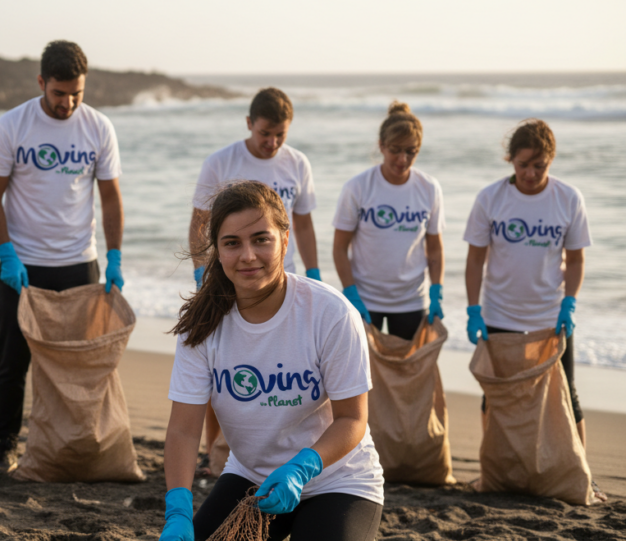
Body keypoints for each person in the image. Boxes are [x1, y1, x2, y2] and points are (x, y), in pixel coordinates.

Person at [158, 180, 385, 541]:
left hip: (335, 478)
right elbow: (184, 431)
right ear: (217, 251)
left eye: (261, 239)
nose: (247, 255)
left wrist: (303, 467)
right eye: (232, 243)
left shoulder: (330, 313)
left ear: (284, 237)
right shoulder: (201, 326)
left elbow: (353, 419)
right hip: (254, 481)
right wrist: (178, 508)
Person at [0, 40, 125, 474]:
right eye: (59, 93)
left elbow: (111, 199)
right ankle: (4, 445)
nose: (68, 103)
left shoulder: (98, 127)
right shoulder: (13, 125)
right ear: (42, 82)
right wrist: (6, 253)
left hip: (80, 263)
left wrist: (115, 257)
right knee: (13, 360)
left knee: (79, 364)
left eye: (76, 93)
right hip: (23, 265)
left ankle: (74, 444)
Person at [189, 88, 320, 474]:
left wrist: (313, 273)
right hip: (229, 280)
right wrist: (202, 272)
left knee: (278, 371)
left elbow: (305, 223)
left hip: (283, 280)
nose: (272, 142)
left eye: (280, 134)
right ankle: (216, 452)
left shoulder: (298, 164)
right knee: (223, 370)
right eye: (265, 133)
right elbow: (199, 225)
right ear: (249, 124)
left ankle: (274, 448)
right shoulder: (221, 162)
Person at [464, 119, 593, 449]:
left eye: (540, 165)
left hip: (550, 316)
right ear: (510, 160)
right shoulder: (491, 198)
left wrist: (570, 303)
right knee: (496, 393)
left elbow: (576, 260)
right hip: (499, 314)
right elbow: (475, 259)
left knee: (566, 391)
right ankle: (493, 470)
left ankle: (582, 474)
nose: (531, 173)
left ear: (551, 160)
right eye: (524, 165)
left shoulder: (568, 198)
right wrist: (473, 309)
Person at [332, 102, 445, 341]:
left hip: (411, 301)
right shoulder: (358, 187)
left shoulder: (429, 188)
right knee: (363, 375)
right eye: (395, 150)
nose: (403, 159)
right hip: (365, 299)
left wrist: (437, 292)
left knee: (406, 376)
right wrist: (351, 293)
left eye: (411, 151)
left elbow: (434, 247)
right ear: (381, 146)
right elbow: (340, 247)